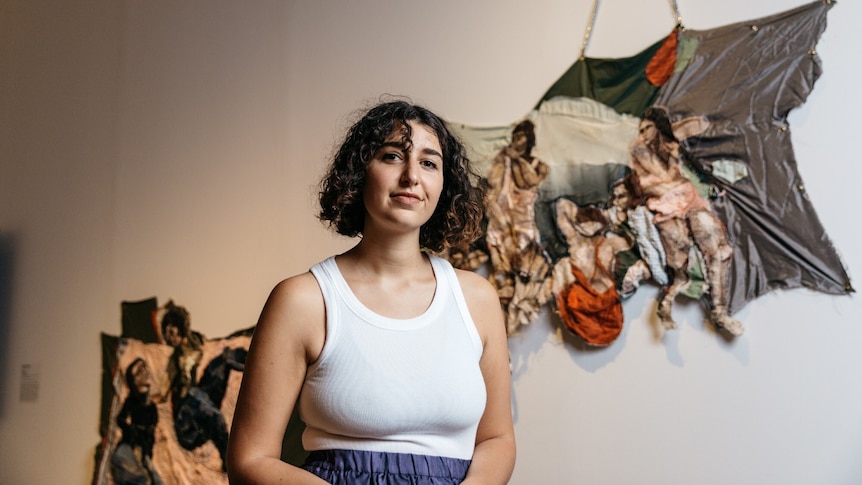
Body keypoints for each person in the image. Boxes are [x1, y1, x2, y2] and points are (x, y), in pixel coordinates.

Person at [227, 99, 516, 484]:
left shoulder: (477, 300)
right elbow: (250, 460)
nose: (412, 175)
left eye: (429, 163)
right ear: (359, 172)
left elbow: (497, 438)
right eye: (393, 156)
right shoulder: (303, 301)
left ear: (444, 185)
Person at [629, 106, 743, 335]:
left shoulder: (670, 144)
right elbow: (647, 184)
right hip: (665, 206)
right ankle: (670, 298)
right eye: (640, 130)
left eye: (647, 128)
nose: (642, 133)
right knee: (680, 259)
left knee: (717, 247)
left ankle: (720, 311)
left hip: (688, 199)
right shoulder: (639, 150)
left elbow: (701, 123)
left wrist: (670, 128)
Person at [157, 301, 246, 471]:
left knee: (225, 358)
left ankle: (257, 365)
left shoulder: (196, 341)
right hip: (187, 415)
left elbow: (205, 353)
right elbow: (163, 389)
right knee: (214, 415)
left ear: (180, 326)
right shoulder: (174, 360)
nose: (170, 337)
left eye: (172, 331)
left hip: (202, 396)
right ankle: (229, 464)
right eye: (167, 334)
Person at [111, 358, 164, 485]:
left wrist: (147, 457)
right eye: (139, 372)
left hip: (143, 452)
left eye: (144, 367)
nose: (145, 372)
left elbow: (151, 432)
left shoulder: (152, 407)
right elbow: (120, 419)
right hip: (127, 451)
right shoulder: (131, 402)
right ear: (133, 381)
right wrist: (132, 431)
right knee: (143, 480)